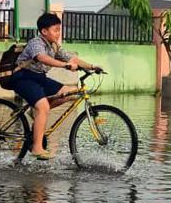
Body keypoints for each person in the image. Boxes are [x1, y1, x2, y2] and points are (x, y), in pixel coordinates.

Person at [9, 12, 102, 160]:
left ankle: (36, 112)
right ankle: (37, 148)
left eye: (59, 29)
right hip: (23, 77)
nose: (58, 33)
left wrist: (92, 66)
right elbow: (42, 58)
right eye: (56, 30)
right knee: (43, 106)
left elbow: (73, 58)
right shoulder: (36, 42)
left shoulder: (54, 47)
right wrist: (65, 65)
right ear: (44, 31)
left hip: (39, 78)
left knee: (69, 93)